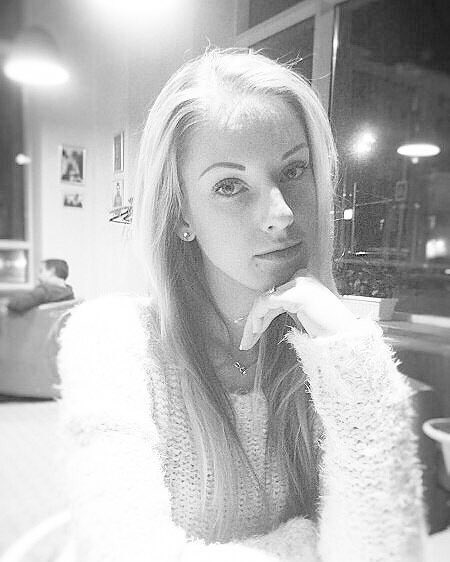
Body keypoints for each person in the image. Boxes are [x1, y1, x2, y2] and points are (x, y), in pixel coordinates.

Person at [57, 50, 426, 562]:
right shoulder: (111, 339)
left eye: (294, 169)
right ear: (180, 213)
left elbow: (387, 553)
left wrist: (352, 364)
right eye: (229, 185)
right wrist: (306, 544)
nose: (280, 213)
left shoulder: (334, 346)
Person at [7, 259, 74, 313]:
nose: (39, 277)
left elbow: (18, 304)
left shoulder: (44, 291)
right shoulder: (69, 293)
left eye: (41, 271)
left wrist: (8, 301)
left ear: (52, 271)